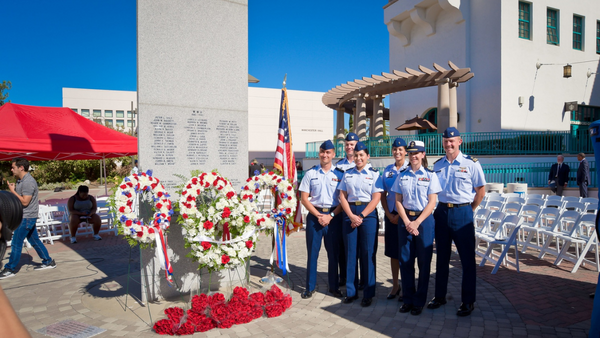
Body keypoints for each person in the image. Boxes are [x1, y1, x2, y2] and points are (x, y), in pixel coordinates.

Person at [428, 127, 486, 316]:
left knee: (467, 260)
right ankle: (439, 296)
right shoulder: (438, 165)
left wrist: (469, 210)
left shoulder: (471, 164)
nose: (449, 144)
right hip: (442, 212)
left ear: (459, 142)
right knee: (442, 258)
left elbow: (480, 192)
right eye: (446, 141)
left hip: (463, 212)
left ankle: (468, 301)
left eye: (452, 141)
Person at [392, 140, 441, 316]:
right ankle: (408, 299)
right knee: (405, 261)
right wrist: (407, 222)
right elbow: (398, 200)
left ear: (423, 154)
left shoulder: (430, 176)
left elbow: (432, 202)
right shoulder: (402, 175)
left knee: (424, 262)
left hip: (424, 221)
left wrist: (417, 222)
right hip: (405, 220)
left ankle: (419, 301)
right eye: (411, 153)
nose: (413, 156)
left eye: (416, 152)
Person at [337, 141, 383, 307]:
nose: (358, 158)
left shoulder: (374, 174)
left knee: (367, 253)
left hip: (367, 214)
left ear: (367, 156)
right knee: (350, 254)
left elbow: (376, 198)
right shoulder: (347, 173)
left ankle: (368, 293)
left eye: (361, 155)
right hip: (350, 213)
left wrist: (361, 215)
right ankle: (351, 292)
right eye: (356, 155)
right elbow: (342, 196)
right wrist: (351, 215)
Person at [298, 140, 344, 299]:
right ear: (319, 153)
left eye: (328, 152)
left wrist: (330, 216)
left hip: (333, 217)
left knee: (334, 254)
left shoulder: (340, 174)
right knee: (312, 253)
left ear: (333, 154)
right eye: (322, 152)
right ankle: (309, 287)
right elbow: (304, 198)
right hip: (314, 217)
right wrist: (318, 215)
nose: (325, 155)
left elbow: (343, 200)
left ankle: (334, 287)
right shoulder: (310, 173)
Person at [0, 158, 56, 279]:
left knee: (16, 242)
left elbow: (25, 202)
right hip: (26, 216)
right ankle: (48, 261)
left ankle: (10, 268)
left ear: (21, 168)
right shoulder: (21, 181)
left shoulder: (28, 182)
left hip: (27, 216)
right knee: (34, 240)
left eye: (13, 167)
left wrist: (12, 192)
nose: (11, 169)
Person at [380, 137, 408, 301]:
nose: (397, 152)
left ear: (405, 151)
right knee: (393, 253)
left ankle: (406, 285)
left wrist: (399, 215)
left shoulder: (409, 168)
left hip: (404, 216)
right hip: (390, 215)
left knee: (404, 252)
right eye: (395, 149)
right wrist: (389, 214)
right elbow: (383, 194)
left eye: (400, 149)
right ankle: (395, 285)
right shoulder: (388, 170)